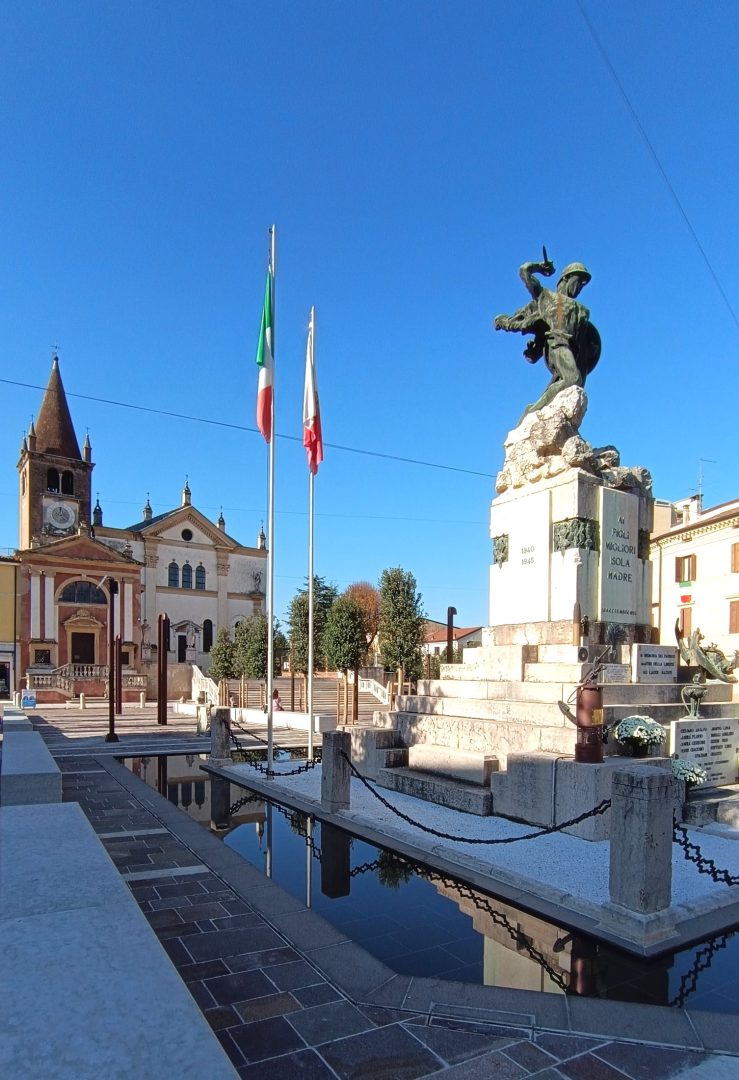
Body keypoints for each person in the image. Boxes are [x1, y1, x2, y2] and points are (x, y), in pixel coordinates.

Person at [494, 254, 600, 420]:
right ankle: (533, 414)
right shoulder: (547, 298)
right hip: (557, 346)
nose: (580, 287)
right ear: (567, 278)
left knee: (570, 387)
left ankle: (537, 413)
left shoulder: (581, 310)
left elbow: (585, 339)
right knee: (572, 379)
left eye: (582, 285)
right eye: (578, 281)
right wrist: (539, 267)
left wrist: (591, 349)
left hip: (574, 355)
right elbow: (524, 270)